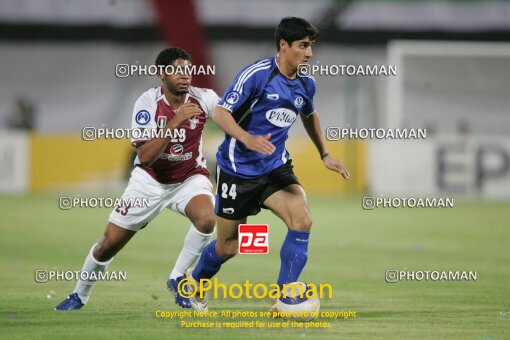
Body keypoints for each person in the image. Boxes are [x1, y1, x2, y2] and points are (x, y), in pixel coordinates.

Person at [185, 17, 350, 312]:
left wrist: (324, 154)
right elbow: (221, 112)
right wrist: (247, 138)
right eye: (303, 46)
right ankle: (194, 284)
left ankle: (283, 296)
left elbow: (310, 116)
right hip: (238, 170)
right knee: (228, 247)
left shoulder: (305, 84)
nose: (309, 53)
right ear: (284, 45)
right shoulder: (257, 75)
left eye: (311, 46)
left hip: (274, 167)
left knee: (302, 218)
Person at [55, 48, 219, 310]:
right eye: (177, 70)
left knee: (208, 218)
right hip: (150, 181)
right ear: (161, 74)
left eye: (188, 70)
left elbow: (230, 116)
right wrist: (174, 123)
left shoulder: (204, 98)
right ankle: (79, 295)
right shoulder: (147, 103)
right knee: (108, 245)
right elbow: (145, 156)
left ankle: (177, 277)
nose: (185, 76)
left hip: (189, 178)